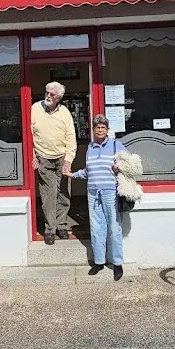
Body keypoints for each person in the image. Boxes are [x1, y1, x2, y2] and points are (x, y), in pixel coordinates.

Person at [69, 114, 126, 280]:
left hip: (111, 192)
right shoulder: (90, 148)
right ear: (93, 130)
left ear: (107, 130)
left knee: (114, 228)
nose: (100, 130)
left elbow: (130, 165)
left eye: (103, 127)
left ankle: (117, 264)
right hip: (93, 193)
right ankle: (99, 262)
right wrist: (73, 175)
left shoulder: (116, 145)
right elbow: (88, 171)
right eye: (97, 127)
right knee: (96, 228)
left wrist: (119, 168)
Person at [30, 81, 76, 245]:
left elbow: (71, 137)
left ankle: (62, 226)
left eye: (52, 94)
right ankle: (50, 229)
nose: (48, 95)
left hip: (62, 157)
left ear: (59, 97)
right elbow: (29, 133)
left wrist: (69, 160)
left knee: (63, 193)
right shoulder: (35, 108)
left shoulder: (65, 113)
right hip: (43, 157)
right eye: (47, 92)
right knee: (49, 195)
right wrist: (32, 154)